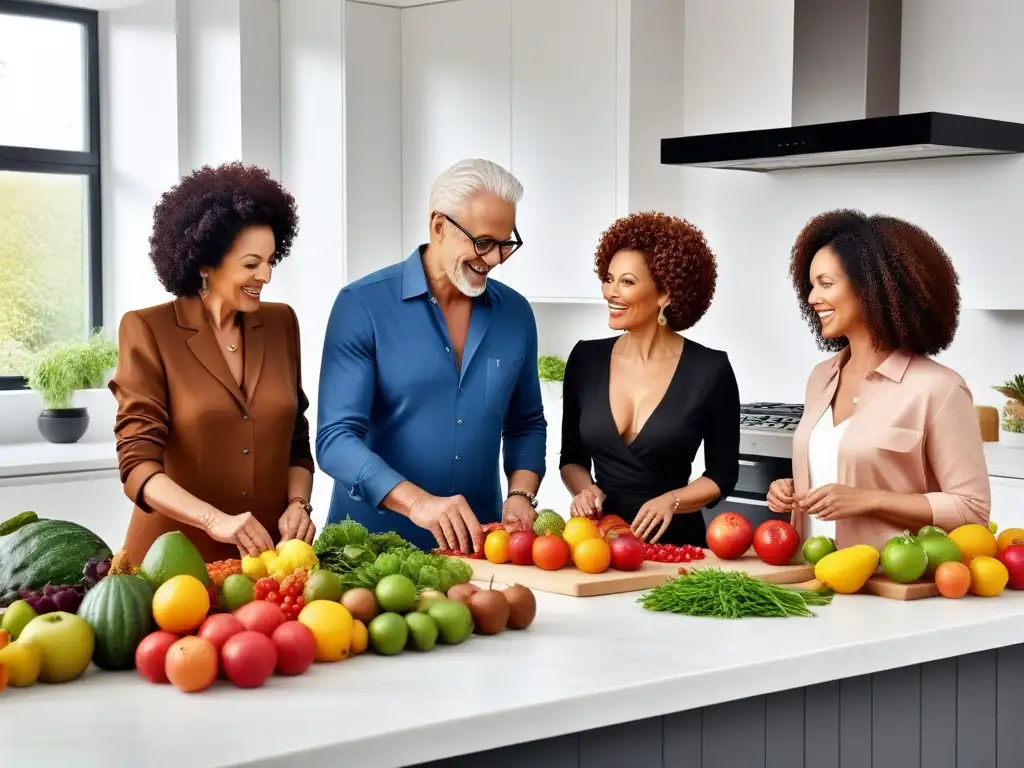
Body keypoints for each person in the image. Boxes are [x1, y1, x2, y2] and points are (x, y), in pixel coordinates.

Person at [316, 158, 547, 554]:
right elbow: (335, 439)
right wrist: (418, 503)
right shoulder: (362, 305)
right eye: (483, 242)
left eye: (505, 244)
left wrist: (522, 495)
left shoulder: (517, 314)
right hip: (366, 553)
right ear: (439, 226)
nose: (494, 259)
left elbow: (526, 422)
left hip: (477, 552)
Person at [108, 162, 316, 565]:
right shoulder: (148, 329)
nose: (267, 275)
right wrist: (213, 520)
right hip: (169, 563)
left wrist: (298, 504)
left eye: (272, 260)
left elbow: (296, 441)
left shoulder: (282, 323)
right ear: (205, 264)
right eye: (251, 264)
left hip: (266, 561)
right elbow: (137, 464)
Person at [766, 209, 990, 550]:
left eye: (825, 284)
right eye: (810, 285)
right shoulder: (821, 377)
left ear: (872, 288)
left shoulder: (939, 389)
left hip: (890, 586)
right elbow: (838, 470)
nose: (812, 298)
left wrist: (871, 500)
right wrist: (791, 488)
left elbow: (972, 509)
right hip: (811, 577)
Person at [559, 212, 740, 546]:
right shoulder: (585, 359)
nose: (610, 292)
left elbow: (723, 474)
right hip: (598, 542)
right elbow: (571, 458)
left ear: (665, 294)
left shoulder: (710, 369)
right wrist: (584, 490)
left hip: (676, 543)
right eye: (609, 278)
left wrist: (672, 500)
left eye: (626, 282)